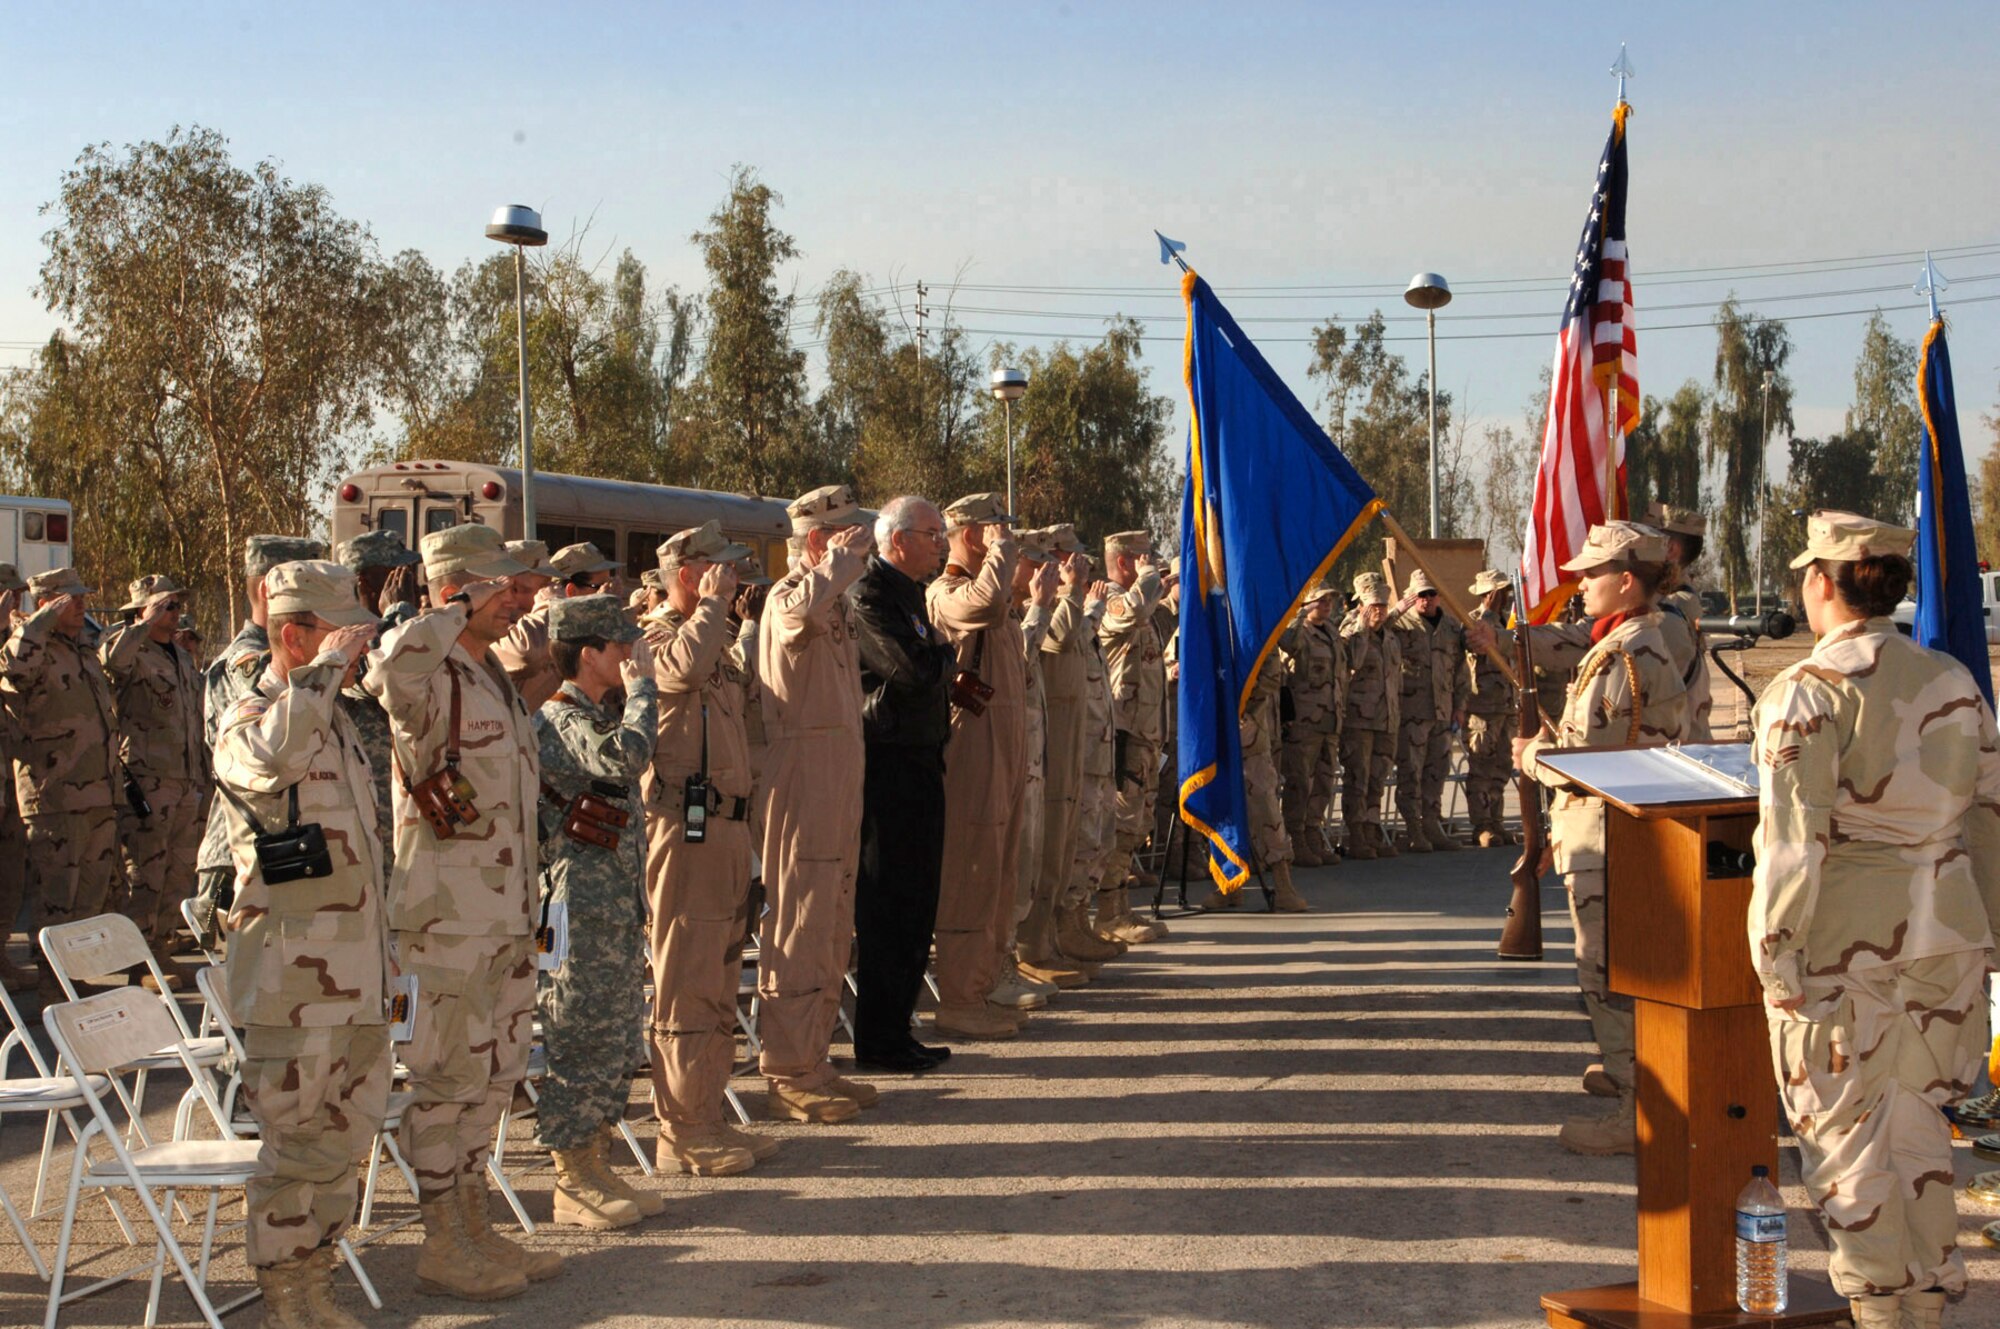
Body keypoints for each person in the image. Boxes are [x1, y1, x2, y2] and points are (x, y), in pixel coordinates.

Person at [1748, 511, 1999, 1329]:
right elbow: (1989, 819)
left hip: (1840, 954)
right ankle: (1922, 1309)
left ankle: (1888, 1315)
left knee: (1849, 1152)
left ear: (1824, 581)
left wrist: (1774, 960)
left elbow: (1793, 843)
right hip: (1949, 944)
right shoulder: (1956, 680)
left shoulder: (1808, 694)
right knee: (1924, 1141)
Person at [364, 523, 558, 1298]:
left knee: (493, 1077)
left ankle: (475, 1219)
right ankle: (443, 1237)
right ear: (459, 589)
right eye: (500, 584)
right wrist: (449, 606)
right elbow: (383, 670)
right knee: (446, 1081)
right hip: (447, 923)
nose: (517, 597)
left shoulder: (488, 674)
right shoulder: (426, 669)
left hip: (505, 916)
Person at [212, 560, 390, 1328]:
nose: (355, 650)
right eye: (340, 635)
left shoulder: (336, 716)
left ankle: (316, 1276)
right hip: (293, 977)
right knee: (293, 1142)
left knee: (343, 1136)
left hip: (357, 972)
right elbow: (267, 761)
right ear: (295, 635)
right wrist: (320, 675)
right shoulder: (253, 715)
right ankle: (286, 1294)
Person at [1515, 521, 1689, 1156]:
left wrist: (1533, 756)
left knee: (1609, 974)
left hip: (1610, 837)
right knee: (1612, 968)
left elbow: (1588, 762)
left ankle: (1640, 1110)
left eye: (1591, 574)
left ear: (1626, 579)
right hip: (1607, 835)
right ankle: (1628, 1076)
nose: (1580, 583)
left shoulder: (1626, 654)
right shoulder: (1624, 642)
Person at [643, 521, 776, 1169]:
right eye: (720, 570)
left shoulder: (713, 638)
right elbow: (680, 673)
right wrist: (714, 607)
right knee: (687, 979)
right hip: (682, 831)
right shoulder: (657, 636)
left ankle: (706, 1112)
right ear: (691, 575)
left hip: (725, 829)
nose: (733, 580)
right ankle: (681, 1132)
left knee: (721, 976)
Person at [533, 593, 663, 1226]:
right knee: (578, 1038)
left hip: (610, 911)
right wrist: (644, 694)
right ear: (590, 654)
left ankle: (597, 1160)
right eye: (621, 648)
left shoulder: (594, 713)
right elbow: (625, 758)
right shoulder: (560, 719)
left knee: (614, 1041)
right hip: (576, 912)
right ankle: (571, 1178)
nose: (631, 657)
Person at [756, 484, 873, 1122]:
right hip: (802, 780)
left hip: (838, 775)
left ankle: (815, 1059)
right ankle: (786, 1068)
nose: (862, 542)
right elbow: (797, 616)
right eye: (848, 532)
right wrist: (836, 563)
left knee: (831, 922)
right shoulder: (788, 596)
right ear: (822, 540)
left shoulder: (837, 601)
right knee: (799, 923)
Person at [849, 497, 959, 1071]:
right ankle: (878, 1041)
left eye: (941, 534)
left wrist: (939, 656)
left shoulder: (909, 593)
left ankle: (899, 1029)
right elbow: (912, 669)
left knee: (917, 903)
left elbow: (931, 663)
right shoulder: (870, 594)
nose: (941, 542)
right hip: (888, 766)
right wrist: (942, 654)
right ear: (897, 541)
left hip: (920, 759)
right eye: (932, 533)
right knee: (888, 905)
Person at [191, 536, 327, 958]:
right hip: (244, 858)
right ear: (269, 589)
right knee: (260, 998)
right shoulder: (247, 663)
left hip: (286, 849)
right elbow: (277, 736)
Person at [927, 492, 1027, 1038]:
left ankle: (983, 985)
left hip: (1005, 744)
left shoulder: (997, 595)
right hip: (973, 745)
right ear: (970, 533)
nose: (1003, 536)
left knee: (1000, 871)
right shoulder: (947, 592)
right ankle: (959, 997)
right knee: (972, 869)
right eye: (993, 528)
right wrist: (1000, 554)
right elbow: (983, 605)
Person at [0, 568, 120, 1004]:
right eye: (71, 598)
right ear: (48, 602)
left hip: (99, 793)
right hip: (55, 795)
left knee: (88, 898)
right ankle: (53, 986)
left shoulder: (82, 649)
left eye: (82, 595)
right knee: (56, 899)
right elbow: (11, 673)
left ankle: (77, 977)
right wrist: (36, 623)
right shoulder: (30, 647)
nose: (82, 603)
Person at [101, 574, 210, 980]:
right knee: (146, 870)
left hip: (184, 777)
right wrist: (142, 624)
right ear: (144, 609)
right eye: (166, 605)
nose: (174, 611)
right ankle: (135, 959)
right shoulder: (130, 649)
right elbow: (111, 664)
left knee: (179, 869)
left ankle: (159, 947)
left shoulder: (180, 656)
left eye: (176, 605)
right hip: (148, 778)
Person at [1019, 527, 1108, 980]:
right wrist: (1071, 593)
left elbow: (1079, 636)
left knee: (1067, 839)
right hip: (1046, 735)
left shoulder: (1058, 601)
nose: (1074, 567)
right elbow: (1055, 639)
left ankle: (1057, 933)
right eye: (1064, 559)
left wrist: (1078, 599)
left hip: (1072, 730)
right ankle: (1032, 945)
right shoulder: (1033, 603)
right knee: (1044, 846)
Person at [992, 532, 1064, 1007]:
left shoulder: (1016, 613)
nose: (1038, 572)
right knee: (1009, 863)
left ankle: (1016, 955)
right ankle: (1001, 963)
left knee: (1029, 859)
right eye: (1028, 562)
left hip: (1031, 754)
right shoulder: (1003, 613)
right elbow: (1015, 663)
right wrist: (1041, 606)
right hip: (1007, 758)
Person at [1097, 531, 1169, 944]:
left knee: (1136, 823)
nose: (1152, 569)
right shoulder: (1108, 597)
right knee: (1121, 823)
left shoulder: (1143, 605)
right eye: (1143, 560)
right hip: (1123, 732)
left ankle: (1121, 906)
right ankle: (1108, 912)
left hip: (1145, 732)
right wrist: (1147, 579)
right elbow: (1131, 611)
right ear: (1125, 562)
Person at [1203, 648, 1309, 913]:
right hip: (1213, 732)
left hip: (1250, 732)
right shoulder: (1203, 618)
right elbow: (1179, 662)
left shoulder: (1250, 622)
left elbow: (1272, 674)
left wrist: (1237, 703)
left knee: (1266, 807)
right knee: (1223, 811)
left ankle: (1283, 884)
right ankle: (1229, 885)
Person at [1389, 570, 1469, 852]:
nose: (1426, 599)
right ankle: (1413, 828)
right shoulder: (1400, 625)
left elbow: (1461, 670)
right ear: (1411, 596)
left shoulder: (1450, 626)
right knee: (1410, 771)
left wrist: (1459, 707)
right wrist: (1397, 609)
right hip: (1412, 711)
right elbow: (1373, 631)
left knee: (1437, 771)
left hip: (1442, 712)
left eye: (1430, 593)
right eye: (1420, 594)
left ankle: (1432, 824)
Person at [493, 541, 621, 711]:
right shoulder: (496, 626)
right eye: (542, 585)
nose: (549, 588)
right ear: (513, 586)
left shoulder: (562, 625)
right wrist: (555, 605)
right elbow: (527, 652)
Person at [1280, 587, 1344, 867]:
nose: (1327, 604)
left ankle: (1313, 832)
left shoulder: (1332, 632)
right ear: (1306, 602)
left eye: (1330, 600)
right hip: (1305, 721)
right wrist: (1298, 613)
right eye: (1320, 599)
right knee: (1299, 782)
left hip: (1330, 720)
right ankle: (1295, 838)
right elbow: (1287, 643)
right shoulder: (1299, 631)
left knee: (1323, 782)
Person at [1339, 574, 1400, 861]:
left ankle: (1373, 829)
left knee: (1377, 778)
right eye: (1373, 605)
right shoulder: (1351, 632)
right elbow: (1353, 662)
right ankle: (1356, 834)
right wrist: (1362, 628)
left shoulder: (1389, 636)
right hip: (1359, 719)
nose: (1379, 611)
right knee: (1358, 778)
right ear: (1361, 605)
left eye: (1383, 606)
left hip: (1386, 718)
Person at [1461, 571, 1519, 848]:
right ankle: (1481, 825)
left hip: (1506, 706)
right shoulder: (1473, 622)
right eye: (1501, 592)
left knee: (1502, 766)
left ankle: (1496, 821)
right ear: (1488, 594)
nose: (1506, 596)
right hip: (1482, 708)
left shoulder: (1506, 622)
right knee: (1481, 767)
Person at [1647, 503, 1713, 741]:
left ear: (1671, 549)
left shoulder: (1673, 606)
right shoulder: (1675, 598)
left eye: (1647, 540)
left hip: (1682, 747)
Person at [0, 566, 30, 992]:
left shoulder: (20, 638)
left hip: (16, 773)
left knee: (10, 874)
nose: (14, 602)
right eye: (9, 594)